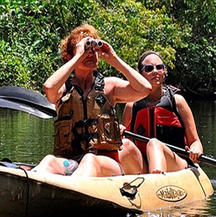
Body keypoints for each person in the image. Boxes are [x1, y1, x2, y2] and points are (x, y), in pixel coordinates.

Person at [33, 23, 151, 176]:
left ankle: (72, 190)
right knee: (49, 161)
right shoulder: (63, 89)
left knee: (90, 160)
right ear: (70, 56)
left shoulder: (109, 86)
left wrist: (114, 59)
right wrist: (77, 57)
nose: (90, 53)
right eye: (85, 49)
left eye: (94, 50)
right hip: (73, 163)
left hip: (107, 164)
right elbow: (49, 88)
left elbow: (145, 89)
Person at [121, 51, 202, 173]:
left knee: (154, 144)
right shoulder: (131, 105)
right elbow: (126, 142)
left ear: (164, 71)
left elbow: (195, 142)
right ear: (140, 74)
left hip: (175, 162)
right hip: (143, 164)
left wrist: (195, 149)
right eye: (148, 68)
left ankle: (156, 180)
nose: (155, 71)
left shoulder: (177, 101)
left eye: (159, 67)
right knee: (125, 144)